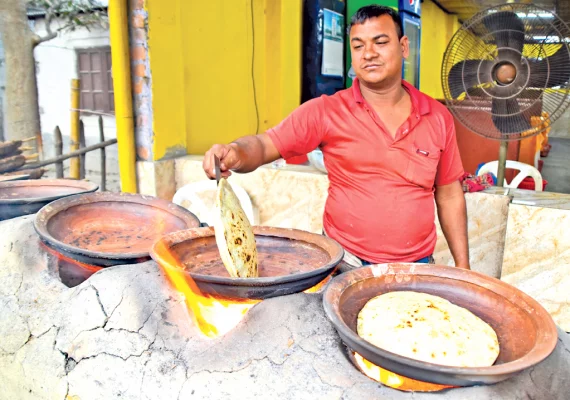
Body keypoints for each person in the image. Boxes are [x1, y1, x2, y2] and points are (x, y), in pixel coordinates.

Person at [203, 5, 470, 270]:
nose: (369, 54)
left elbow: (449, 194)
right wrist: (236, 152)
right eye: (358, 46)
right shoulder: (326, 111)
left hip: (415, 266)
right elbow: (264, 145)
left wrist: (463, 265)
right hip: (344, 262)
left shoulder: (437, 116)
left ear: (403, 47)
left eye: (380, 42)